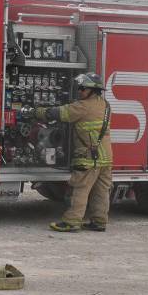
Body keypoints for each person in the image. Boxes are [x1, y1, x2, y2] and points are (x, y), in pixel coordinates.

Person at [31, 73, 113, 232]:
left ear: (92, 90)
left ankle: (72, 221)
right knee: (101, 191)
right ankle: (99, 221)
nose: (79, 91)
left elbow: (58, 113)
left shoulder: (83, 107)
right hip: (106, 157)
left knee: (79, 188)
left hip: (88, 157)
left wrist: (36, 112)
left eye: (82, 88)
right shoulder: (106, 105)